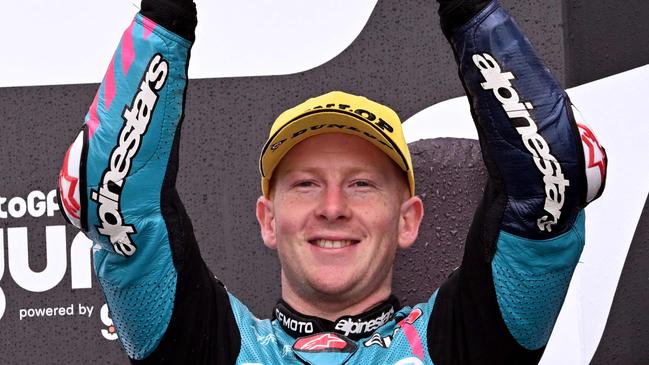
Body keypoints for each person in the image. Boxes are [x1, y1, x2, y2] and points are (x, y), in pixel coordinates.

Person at [56, 0, 607, 363]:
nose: (333, 207)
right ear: (268, 220)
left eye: (363, 184)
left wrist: (470, 11)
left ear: (409, 218)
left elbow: (547, 184)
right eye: (305, 185)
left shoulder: (466, 344)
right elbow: (116, 199)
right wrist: (166, 17)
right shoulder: (209, 348)